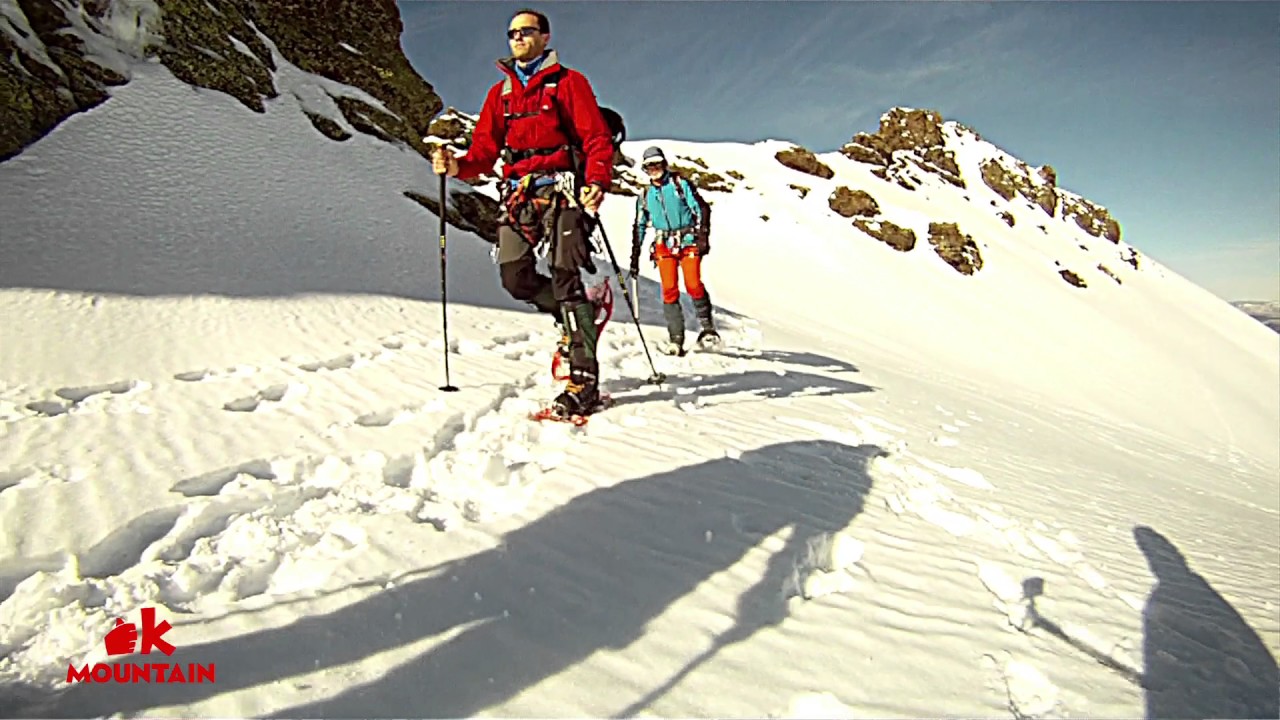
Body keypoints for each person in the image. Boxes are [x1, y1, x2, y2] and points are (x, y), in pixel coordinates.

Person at [432, 8, 615, 416]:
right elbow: (483, 153)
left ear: (545, 37)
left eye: (525, 31)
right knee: (515, 278)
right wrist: (457, 165)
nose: (516, 38)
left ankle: (583, 382)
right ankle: (577, 317)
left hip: (564, 189)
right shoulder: (500, 95)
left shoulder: (569, 83)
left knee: (566, 275)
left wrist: (597, 181)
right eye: (511, 32)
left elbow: (597, 138)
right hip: (519, 194)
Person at [629, 146, 720, 356]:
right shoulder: (645, 195)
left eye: (657, 164)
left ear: (664, 164)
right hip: (663, 244)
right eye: (649, 166)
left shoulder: (680, 184)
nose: (654, 169)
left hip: (688, 240)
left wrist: (703, 237)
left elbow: (701, 209)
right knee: (669, 289)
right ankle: (675, 338)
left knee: (693, 284)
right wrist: (635, 255)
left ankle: (707, 328)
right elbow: (640, 225)